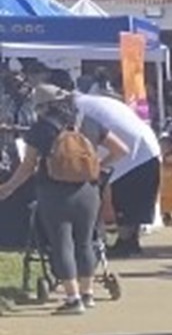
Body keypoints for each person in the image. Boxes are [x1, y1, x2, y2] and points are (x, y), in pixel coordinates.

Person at [0, 90, 126, 313]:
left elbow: (28, 166)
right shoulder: (87, 121)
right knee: (86, 242)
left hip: (53, 192)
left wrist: (8, 188)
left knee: (62, 244)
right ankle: (88, 295)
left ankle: (72, 298)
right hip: (88, 191)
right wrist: (98, 166)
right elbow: (121, 149)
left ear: (43, 106)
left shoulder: (40, 129)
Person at [73, 92, 162, 256]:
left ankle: (127, 243)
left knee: (126, 199)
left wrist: (97, 165)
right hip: (148, 147)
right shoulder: (95, 101)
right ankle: (129, 241)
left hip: (132, 153)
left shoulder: (78, 109)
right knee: (131, 201)